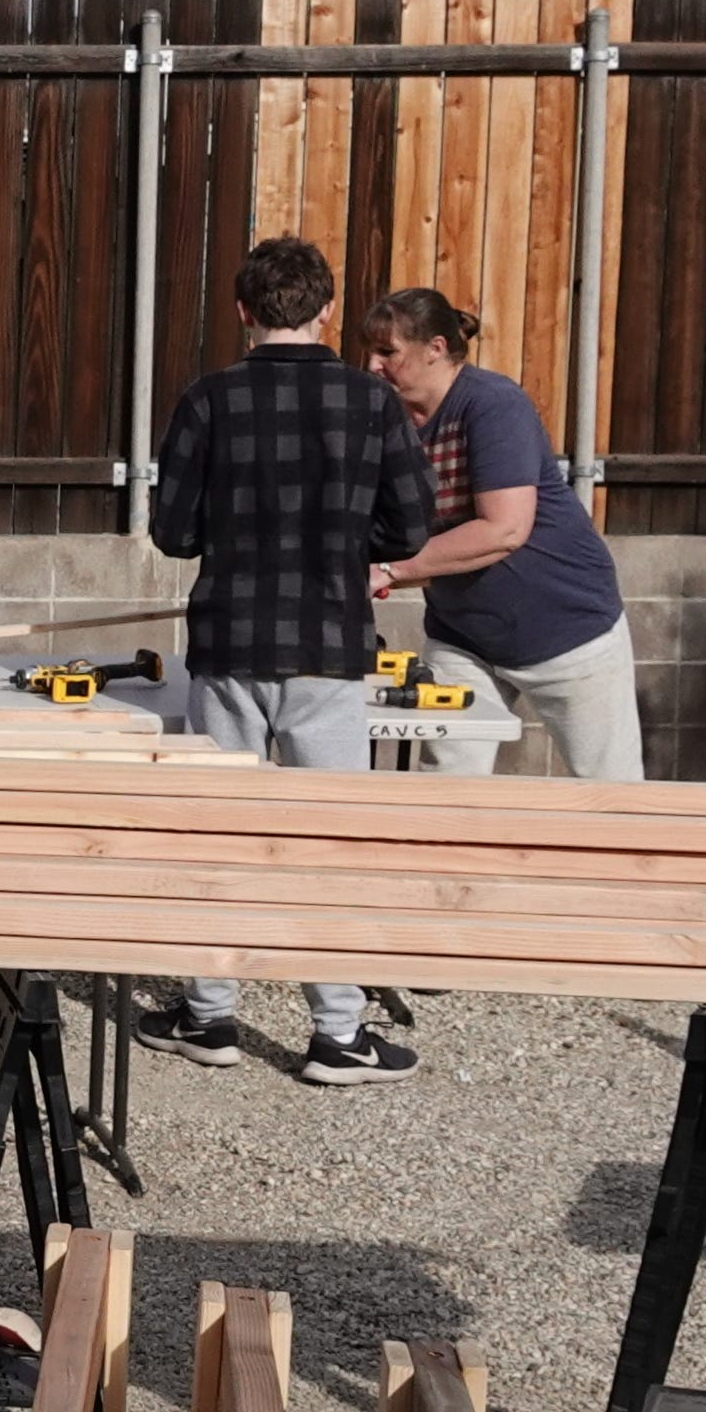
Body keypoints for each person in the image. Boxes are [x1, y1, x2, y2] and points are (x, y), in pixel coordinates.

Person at [131, 235, 435, 1085]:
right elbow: (412, 527)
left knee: (219, 831)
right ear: (327, 309)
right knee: (325, 840)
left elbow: (173, 532)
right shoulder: (370, 404)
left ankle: (209, 1014)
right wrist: (347, 545)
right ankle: (336, 1032)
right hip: (330, 646)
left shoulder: (208, 399)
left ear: (242, 311)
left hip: (232, 643)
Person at [351, 285, 644, 783]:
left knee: (612, 790)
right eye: (370, 353)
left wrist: (389, 569)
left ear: (436, 349)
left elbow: (504, 528)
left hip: (566, 631)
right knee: (447, 788)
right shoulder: (386, 423)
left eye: (387, 352)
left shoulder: (492, 405)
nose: (372, 367)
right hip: (463, 637)